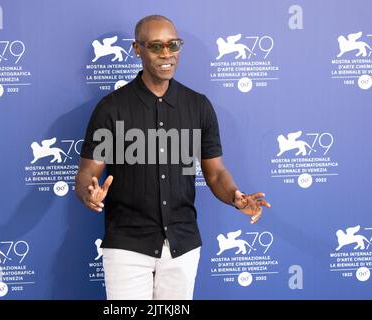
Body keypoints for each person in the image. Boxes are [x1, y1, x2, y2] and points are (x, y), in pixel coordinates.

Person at [75, 14, 271, 300]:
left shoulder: (199, 106)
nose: (166, 54)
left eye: (173, 45)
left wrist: (235, 196)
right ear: (137, 49)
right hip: (127, 245)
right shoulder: (111, 109)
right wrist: (88, 193)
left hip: (182, 244)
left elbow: (215, 173)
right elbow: (87, 173)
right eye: (156, 46)